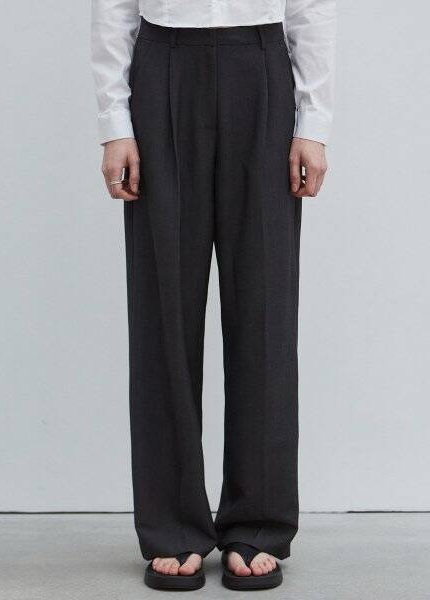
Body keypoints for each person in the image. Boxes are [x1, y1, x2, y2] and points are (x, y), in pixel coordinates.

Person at [91, 0, 336, 591]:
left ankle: (259, 523)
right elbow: (114, 8)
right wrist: (115, 124)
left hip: (262, 67)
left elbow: (311, 7)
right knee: (162, 309)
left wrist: (313, 123)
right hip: (162, 65)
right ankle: (172, 525)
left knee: (265, 310)